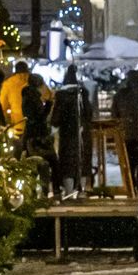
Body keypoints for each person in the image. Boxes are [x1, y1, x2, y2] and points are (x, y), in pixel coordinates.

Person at [51, 65, 92, 197]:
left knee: (67, 161)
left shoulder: (61, 96)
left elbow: (55, 119)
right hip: (83, 132)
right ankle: (82, 190)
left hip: (67, 134)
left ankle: (69, 191)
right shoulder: (83, 94)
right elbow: (89, 113)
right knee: (83, 160)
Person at [0, 59, 33, 139]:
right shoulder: (34, 80)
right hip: (35, 125)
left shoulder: (8, 84)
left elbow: (2, 106)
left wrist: (5, 120)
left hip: (18, 124)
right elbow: (47, 96)